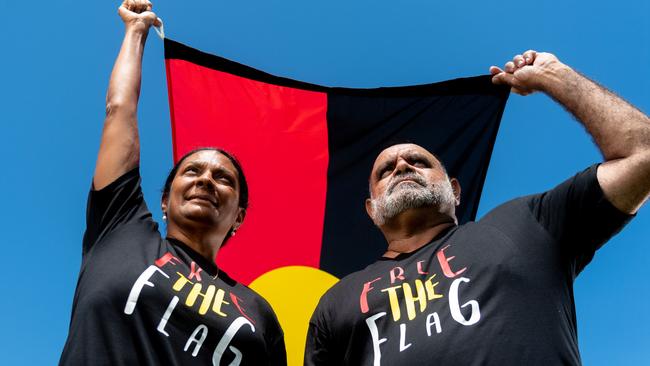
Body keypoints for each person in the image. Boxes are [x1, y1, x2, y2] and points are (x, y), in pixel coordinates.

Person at [305, 50, 650, 365]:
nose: (402, 167)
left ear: (454, 190)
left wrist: (554, 76)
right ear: (371, 209)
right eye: (385, 170)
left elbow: (644, 154)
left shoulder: (527, 224)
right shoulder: (336, 303)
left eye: (418, 160)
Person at [59, 1, 286, 365]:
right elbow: (120, 110)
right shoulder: (121, 229)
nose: (207, 180)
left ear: (239, 217)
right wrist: (136, 31)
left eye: (223, 178)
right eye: (192, 171)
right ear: (164, 201)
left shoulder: (258, 314)